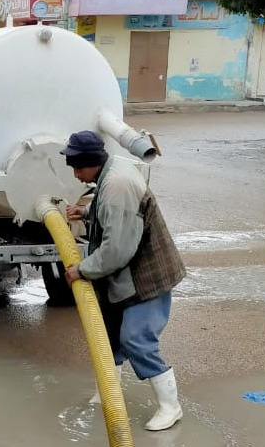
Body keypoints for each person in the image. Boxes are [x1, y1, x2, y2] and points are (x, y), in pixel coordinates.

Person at [61, 130, 186, 431]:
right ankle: (109, 391)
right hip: (125, 276)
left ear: (92, 162)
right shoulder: (110, 174)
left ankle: (171, 406)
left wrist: (82, 269)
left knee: (136, 339)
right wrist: (86, 210)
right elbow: (110, 211)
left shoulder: (117, 184)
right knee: (111, 337)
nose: (76, 175)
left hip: (146, 277)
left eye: (78, 167)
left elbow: (116, 250)